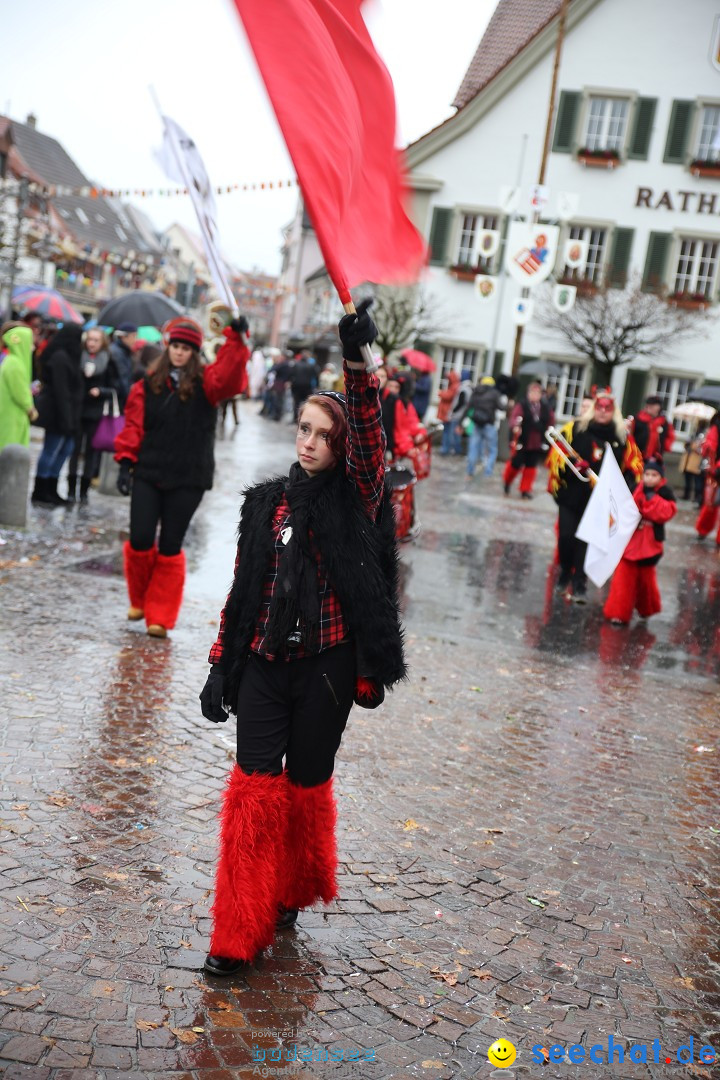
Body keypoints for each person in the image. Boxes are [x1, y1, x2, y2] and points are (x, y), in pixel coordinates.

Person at [199, 300, 405, 974]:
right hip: (263, 662)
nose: (309, 441)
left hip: (326, 667)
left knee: (306, 781)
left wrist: (357, 361)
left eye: (322, 434)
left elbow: (372, 435)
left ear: (339, 446)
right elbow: (243, 590)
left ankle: (289, 890)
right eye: (304, 431)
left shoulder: (356, 496)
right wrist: (218, 665)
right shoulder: (265, 503)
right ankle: (237, 931)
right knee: (253, 789)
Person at [113, 317, 249, 638]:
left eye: (186, 348)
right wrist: (124, 462)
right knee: (141, 537)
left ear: (194, 353)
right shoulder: (145, 385)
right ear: (167, 347)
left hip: (188, 476)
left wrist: (237, 340)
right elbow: (134, 425)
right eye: (175, 346)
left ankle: (159, 614)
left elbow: (231, 378)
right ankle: (140, 599)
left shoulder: (208, 383)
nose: (179, 352)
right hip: (149, 470)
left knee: (171, 544)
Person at [547, 388, 643, 602]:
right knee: (566, 537)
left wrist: (621, 489)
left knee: (586, 541)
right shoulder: (576, 428)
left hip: (598, 500)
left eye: (607, 409)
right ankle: (565, 573)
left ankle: (580, 583)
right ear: (593, 407)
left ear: (613, 411)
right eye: (599, 407)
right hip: (572, 495)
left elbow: (634, 466)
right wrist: (572, 465)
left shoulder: (622, 436)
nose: (602, 412)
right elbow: (556, 456)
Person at [603, 458, 677, 625]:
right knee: (623, 578)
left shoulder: (665, 492)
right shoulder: (635, 488)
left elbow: (665, 513)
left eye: (654, 475)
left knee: (646, 581)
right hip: (631, 540)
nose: (650, 478)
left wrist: (651, 500)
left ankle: (646, 609)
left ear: (661, 477)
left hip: (650, 543)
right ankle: (618, 613)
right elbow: (624, 508)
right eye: (647, 474)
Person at [30, 324, 85, 507]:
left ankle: (51, 488)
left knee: (65, 449)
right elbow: (62, 391)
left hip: (68, 413)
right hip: (58, 413)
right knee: (51, 450)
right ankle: (41, 489)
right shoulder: (60, 357)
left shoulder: (69, 356)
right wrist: (66, 418)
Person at [66, 328, 113, 504]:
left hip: (95, 412)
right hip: (78, 410)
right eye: (90, 339)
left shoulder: (108, 360)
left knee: (91, 453)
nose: (92, 343)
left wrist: (100, 391)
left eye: (96, 340)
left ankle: (84, 491)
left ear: (102, 343)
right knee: (74, 451)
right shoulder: (78, 356)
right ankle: (71, 490)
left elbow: (114, 388)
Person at [503, 381, 553, 499]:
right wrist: (516, 426)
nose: (535, 395)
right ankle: (507, 481)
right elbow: (514, 417)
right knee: (515, 464)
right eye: (532, 392)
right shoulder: (522, 405)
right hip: (522, 440)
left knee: (531, 467)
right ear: (528, 393)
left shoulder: (545, 407)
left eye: (537, 393)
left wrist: (550, 431)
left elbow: (551, 420)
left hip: (536, 442)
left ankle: (525, 489)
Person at [0, 323, 38, 451]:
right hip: (12, 417)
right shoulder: (15, 364)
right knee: (10, 452)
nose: (32, 347)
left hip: (11, 415)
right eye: (30, 343)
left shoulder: (11, 361)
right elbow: (20, 393)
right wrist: (31, 409)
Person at [458, 375, 503, 479]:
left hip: (477, 424)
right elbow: (501, 407)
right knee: (492, 449)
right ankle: (488, 472)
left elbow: (468, 408)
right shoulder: (495, 394)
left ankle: (470, 471)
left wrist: (460, 423)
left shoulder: (476, 392)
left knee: (473, 448)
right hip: (489, 424)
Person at [695, 411, 720, 543]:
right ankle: (703, 530)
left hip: (716, 469)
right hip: (715, 471)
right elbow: (709, 448)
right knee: (710, 503)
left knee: (710, 504)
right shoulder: (716, 426)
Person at [630, 394, 674, 461]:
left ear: (659, 407)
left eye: (653, 405)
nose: (649, 407)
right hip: (636, 456)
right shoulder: (637, 419)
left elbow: (669, 437)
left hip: (655, 458)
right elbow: (630, 436)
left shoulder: (664, 422)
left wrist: (662, 449)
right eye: (648, 404)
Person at [108, 322, 138, 410]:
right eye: (133, 336)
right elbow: (123, 378)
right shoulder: (117, 352)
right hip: (118, 399)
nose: (135, 340)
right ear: (124, 336)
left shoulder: (123, 351)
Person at [678, 425, 705, 505]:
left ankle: (697, 497)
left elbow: (700, 450)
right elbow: (686, 446)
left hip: (696, 462)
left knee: (697, 482)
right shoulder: (692, 436)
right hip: (688, 461)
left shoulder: (703, 438)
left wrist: (694, 445)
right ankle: (687, 495)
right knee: (687, 480)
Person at [437, 370, 461, 455]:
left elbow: (449, 396)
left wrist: (441, 393)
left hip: (449, 413)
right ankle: (446, 448)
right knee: (447, 431)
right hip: (447, 412)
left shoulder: (455, 386)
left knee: (449, 432)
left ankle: (447, 449)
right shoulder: (452, 385)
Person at [290, 348, 317, 421]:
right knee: (307, 403)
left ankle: (295, 418)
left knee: (296, 403)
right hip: (307, 386)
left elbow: (291, 375)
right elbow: (315, 375)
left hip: (297, 386)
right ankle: (304, 418)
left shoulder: (296, 364)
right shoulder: (311, 365)